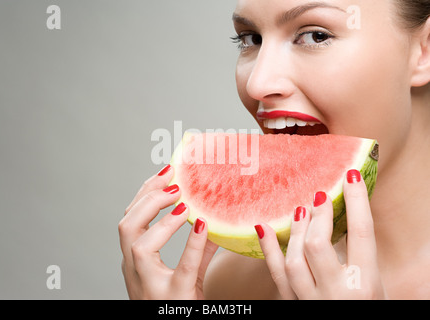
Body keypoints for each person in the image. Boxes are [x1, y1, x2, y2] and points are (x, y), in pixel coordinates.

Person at [118, 0, 430, 300]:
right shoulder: (233, 282)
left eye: (315, 36)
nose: (257, 83)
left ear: (424, 49)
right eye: (250, 39)